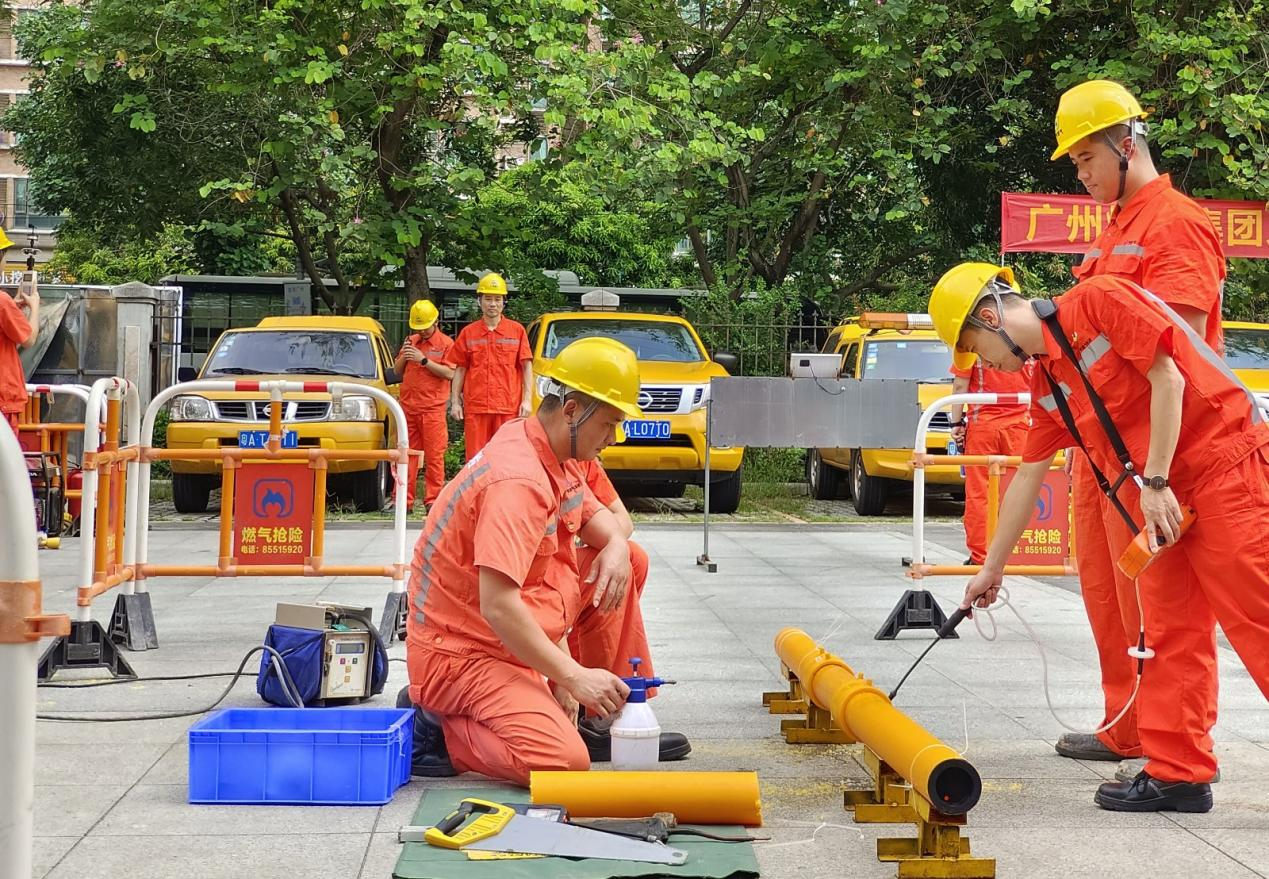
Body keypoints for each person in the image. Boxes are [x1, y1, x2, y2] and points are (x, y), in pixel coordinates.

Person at [928, 265, 1269, 813]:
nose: (984, 365)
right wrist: (991, 568)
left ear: (990, 316)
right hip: (1163, 502)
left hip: (1224, 469)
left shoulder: (1099, 301)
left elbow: (1170, 379)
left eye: (976, 347)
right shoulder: (1049, 386)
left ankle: (1179, 767)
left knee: (1259, 621)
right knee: (1165, 634)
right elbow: (1026, 476)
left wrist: (1154, 480)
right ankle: (1178, 775)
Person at [402, 336, 689, 784]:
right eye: (610, 424)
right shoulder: (517, 482)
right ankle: (438, 728)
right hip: (464, 651)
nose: (613, 439)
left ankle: (605, 711)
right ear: (572, 410)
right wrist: (571, 675)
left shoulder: (556, 451)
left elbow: (605, 524)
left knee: (627, 559)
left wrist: (614, 545)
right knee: (562, 762)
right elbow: (498, 604)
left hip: (501, 631)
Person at [1049, 79, 1226, 770]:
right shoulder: (1116, 226)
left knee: (1163, 608)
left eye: (1087, 156)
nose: (1082, 172)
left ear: (1128, 143)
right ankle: (1125, 722)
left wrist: (1152, 466)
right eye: (1074, 163)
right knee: (1107, 592)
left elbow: (1175, 350)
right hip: (1106, 450)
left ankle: (1171, 745)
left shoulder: (1175, 222)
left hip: (1153, 453)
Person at [944, 266, 1033, 566]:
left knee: (980, 494)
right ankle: (1016, 554)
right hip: (1022, 425)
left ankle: (982, 555)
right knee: (1020, 489)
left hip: (983, 427)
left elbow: (960, 384)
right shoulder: (1028, 344)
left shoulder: (976, 340)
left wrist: (956, 423)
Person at [449, 272, 533, 460]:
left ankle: (504, 491)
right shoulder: (468, 333)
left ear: (504, 301)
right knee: (476, 458)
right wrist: (455, 402)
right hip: (476, 408)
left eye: (497, 299)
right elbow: (460, 369)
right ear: (480, 301)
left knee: (507, 457)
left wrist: (527, 400)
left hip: (507, 407)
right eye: (488, 299)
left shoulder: (517, 331)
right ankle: (479, 491)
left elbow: (527, 367)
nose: (492, 304)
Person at [388, 299, 455, 513]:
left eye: (425, 326)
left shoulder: (446, 344)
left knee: (435, 456)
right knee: (406, 455)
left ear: (435, 321)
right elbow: (397, 371)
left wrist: (424, 360)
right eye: (418, 327)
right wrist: (406, 355)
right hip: (408, 408)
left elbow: (450, 373)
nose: (422, 331)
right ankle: (402, 501)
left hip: (433, 409)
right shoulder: (411, 341)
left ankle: (433, 501)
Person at [1, 242, 39, 435]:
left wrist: (12, 307)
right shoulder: (2, 302)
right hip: (3, 399)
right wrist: (35, 306)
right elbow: (29, 339)